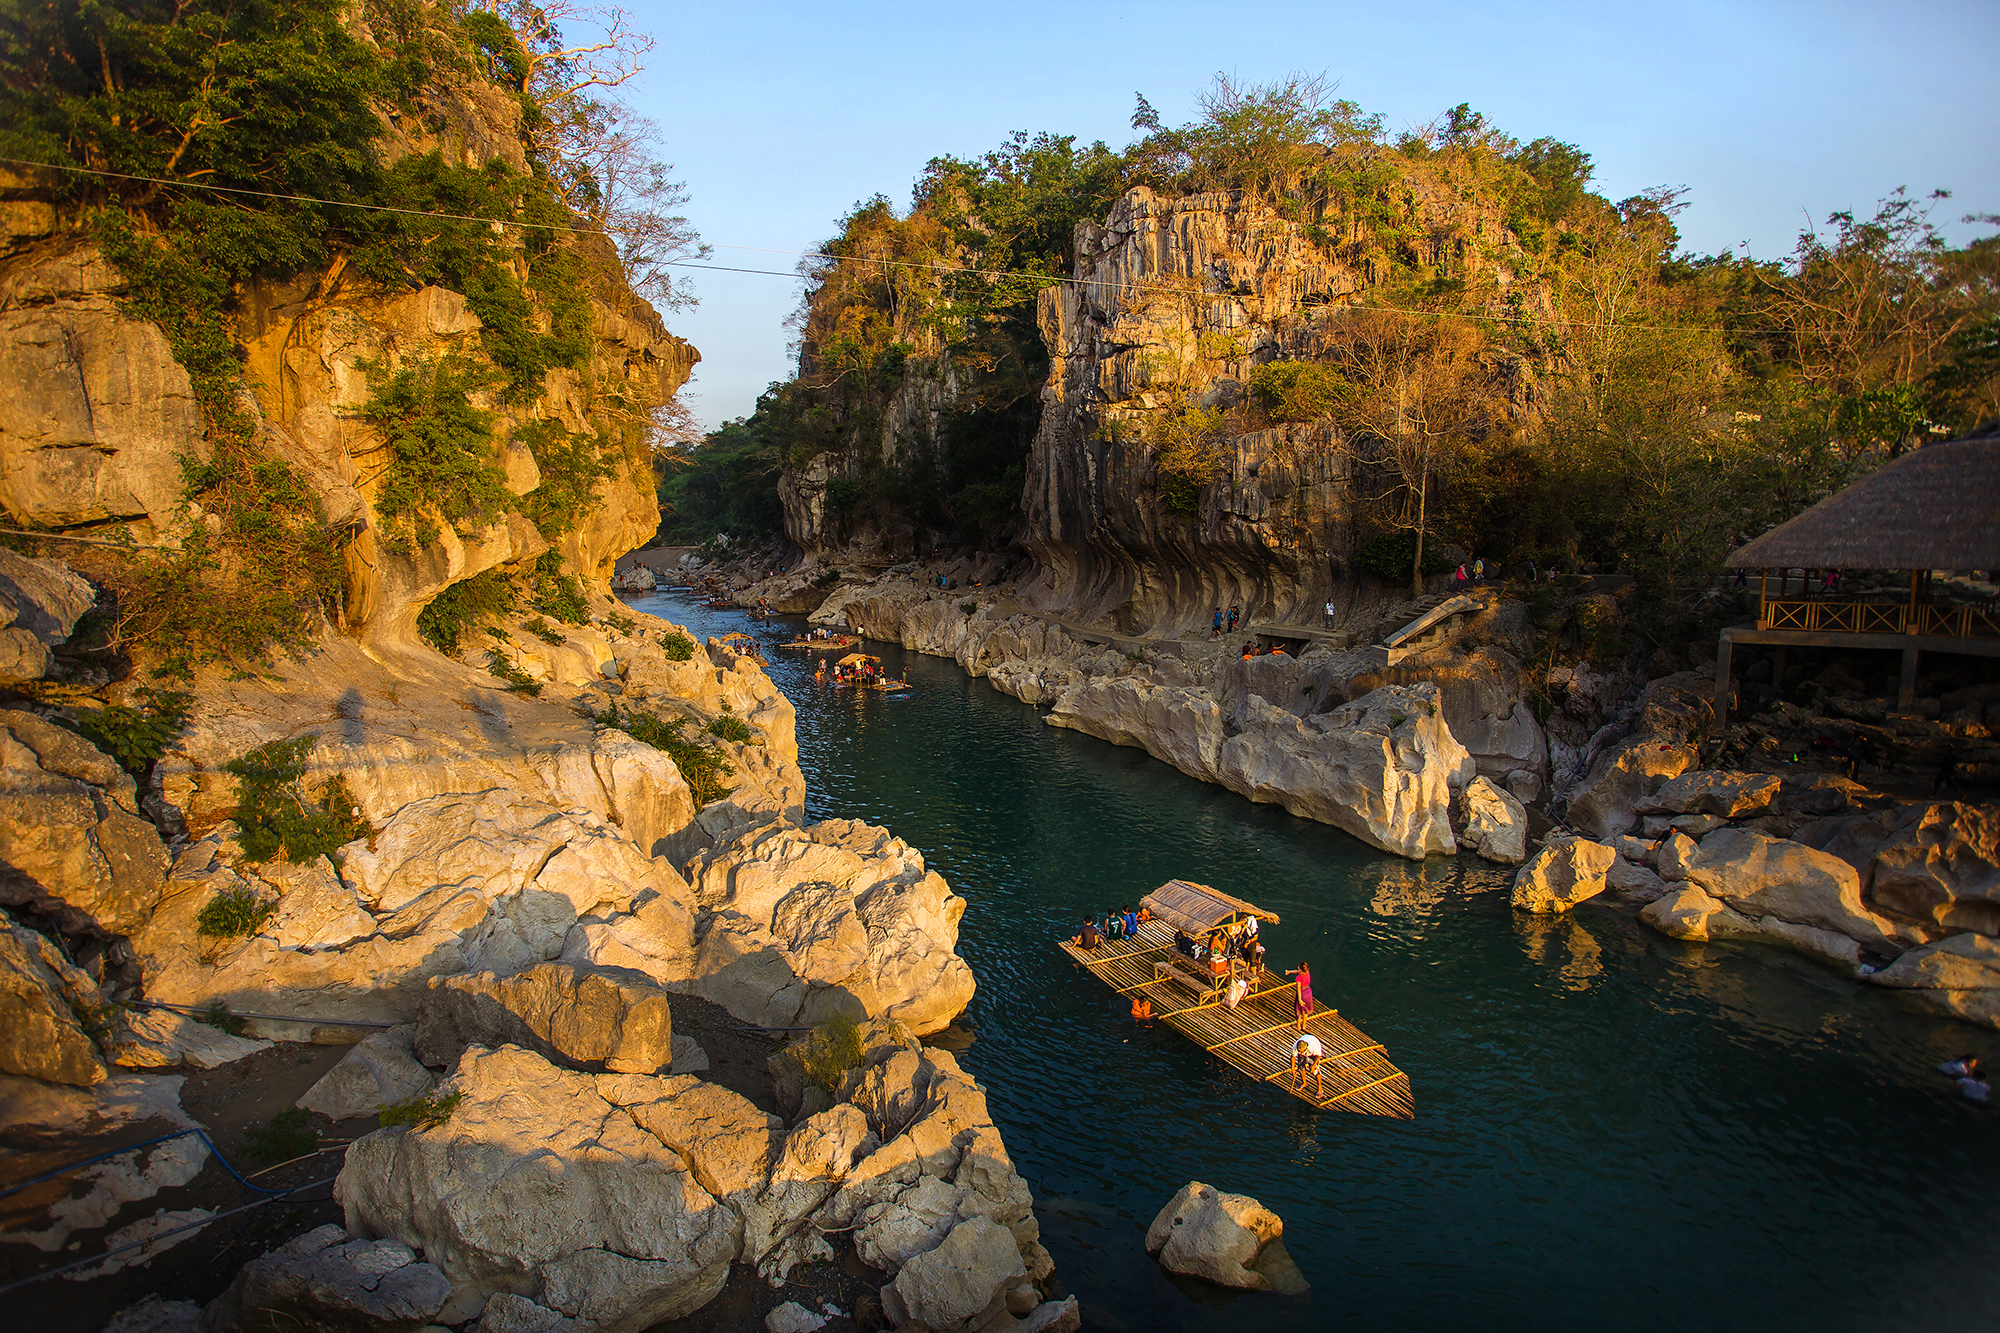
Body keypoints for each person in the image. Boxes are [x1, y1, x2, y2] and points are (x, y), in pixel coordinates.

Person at [1288, 962, 1314, 1030]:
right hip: (1308, 992)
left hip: (1302, 994)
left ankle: (1298, 1026)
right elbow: (1298, 972)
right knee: (1306, 1011)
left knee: (1298, 1010)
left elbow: (1299, 989)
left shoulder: (1299, 978)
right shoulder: (1307, 973)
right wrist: (1290, 972)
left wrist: (1299, 999)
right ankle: (1304, 1025)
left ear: (1299, 969)